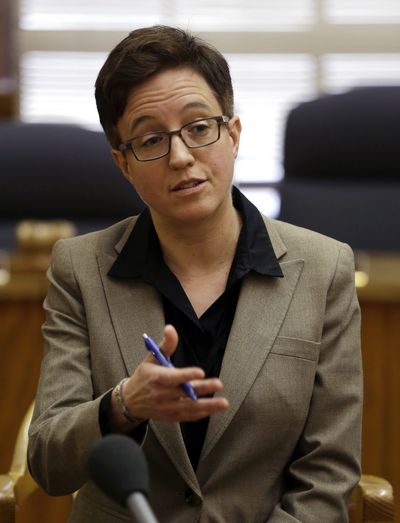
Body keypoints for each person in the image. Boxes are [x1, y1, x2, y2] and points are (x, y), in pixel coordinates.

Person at [28, 25, 362, 522]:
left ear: (233, 134)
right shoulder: (80, 269)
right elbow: (50, 464)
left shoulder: (323, 269)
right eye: (151, 139)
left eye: (199, 128)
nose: (181, 157)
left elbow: (328, 472)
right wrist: (123, 404)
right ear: (123, 164)